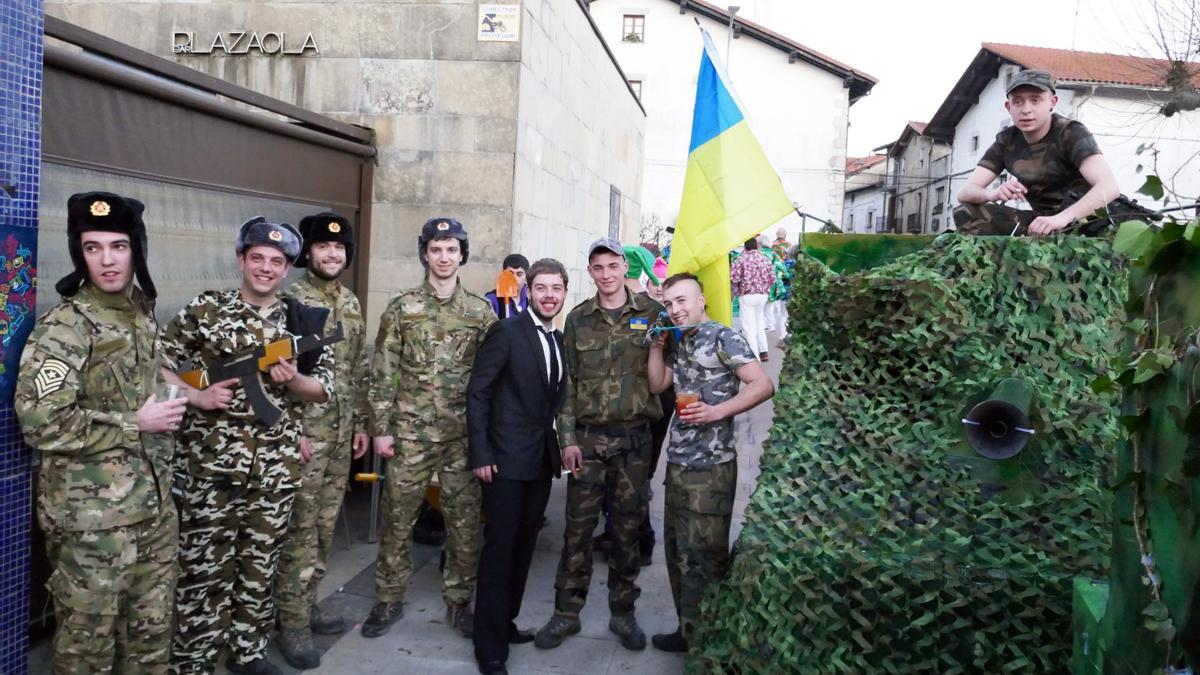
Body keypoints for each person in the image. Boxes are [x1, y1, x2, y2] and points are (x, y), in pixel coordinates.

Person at [16, 192, 186, 674]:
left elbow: (146, 382)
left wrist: (185, 397)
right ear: (79, 253)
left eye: (118, 246)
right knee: (85, 652)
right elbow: (39, 422)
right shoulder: (65, 328)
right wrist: (136, 423)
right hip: (93, 526)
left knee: (151, 639)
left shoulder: (140, 313)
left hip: (153, 511)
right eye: (93, 248)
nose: (107, 260)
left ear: (137, 249)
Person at [160, 217, 333, 675]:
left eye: (276, 261)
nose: (265, 268)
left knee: (260, 567)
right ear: (241, 260)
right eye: (257, 258)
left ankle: (248, 653)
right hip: (209, 466)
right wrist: (194, 395)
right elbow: (157, 362)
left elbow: (323, 389)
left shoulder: (303, 320)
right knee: (202, 568)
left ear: (287, 269)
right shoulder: (207, 309)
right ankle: (194, 660)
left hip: (275, 468)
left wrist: (293, 379)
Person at [363, 217, 495, 640]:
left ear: (462, 255)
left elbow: (491, 377)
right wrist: (380, 427)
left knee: (464, 523)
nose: (443, 257)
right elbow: (384, 370)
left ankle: (460, 601)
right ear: (424, 253)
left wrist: (487, 437)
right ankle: (388, 598)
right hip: (409, 434)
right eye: (436, 249)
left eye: (451, 249)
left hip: (461, 437)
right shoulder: (402, 308)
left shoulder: (480, 312)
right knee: (397, 519)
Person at [534, 237, 667, 652]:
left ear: (625, 268)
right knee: (577, 531)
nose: (607, 274)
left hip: (634, 440)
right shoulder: (578, 319)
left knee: (626, 532)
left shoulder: (652, 314)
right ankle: (566, 613)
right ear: (590, 272)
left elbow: (670, 369)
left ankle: (623, 613)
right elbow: (568, 385)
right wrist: (567, 439)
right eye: (598, 267)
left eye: (613, 266)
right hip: (588, 442)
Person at [646, 272, 775, 653]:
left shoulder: (723, 337)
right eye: (669, 303)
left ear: (701, 300)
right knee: (677, 552)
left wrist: (717, 411)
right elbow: (657, 385)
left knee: (706, 556)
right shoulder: (681, 340)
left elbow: (762, 385)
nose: (675, 309)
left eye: (682, 300)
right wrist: (655, 348)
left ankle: (712, 643)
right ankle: (688, 631)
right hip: (679, 463)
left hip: (712, 467)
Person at [273, 213, 371, 669]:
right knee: (299, 530)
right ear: (307, 253)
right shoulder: (290, 300)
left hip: (340, 433)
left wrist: (361, 424)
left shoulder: (349, 300)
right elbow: (276, 377)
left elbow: (357, 368)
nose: (332, 254)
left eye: (339, 248)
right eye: (322, 247)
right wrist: (290, 431)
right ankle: (290, 623)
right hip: (306, 437)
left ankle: (307, 604)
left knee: (323, 527)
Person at [467, 258, 570, 675]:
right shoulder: (506, 332)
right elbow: (478, 392)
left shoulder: (558, 339)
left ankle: (505, 623)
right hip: (504, 462)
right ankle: (489, 647)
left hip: (539, 462)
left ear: (564, 293)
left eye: (556, 288)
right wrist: (481, 453)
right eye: (541, 287)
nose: (549, 295)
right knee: (499, 549)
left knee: (524, 546)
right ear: (528, 292)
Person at [956, 69, 1121, 236]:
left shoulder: (1070, 132)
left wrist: (1062, 218)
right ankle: (1003, 252)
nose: (1026, 110)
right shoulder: (1007, 141)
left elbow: (1109, 187)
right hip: (1042, 222)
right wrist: (993, 193)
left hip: (1087, 219)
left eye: (1035, 100)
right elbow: (965, 193)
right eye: (1018, 102)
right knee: (966, 211)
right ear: (1008, 107)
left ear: (1052, 102)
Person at [729, 237, 775, 362]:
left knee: (749, 327)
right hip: (762, 295)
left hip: (747, 295)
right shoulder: (765, 259)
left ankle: (754, 357)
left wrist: (734, 292)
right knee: (759, 322)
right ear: (757, 246)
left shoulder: (741, 259)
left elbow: (734, 278)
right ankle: (763, 351)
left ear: (745, 247)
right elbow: (772, 278)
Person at [484, 253, 529, 319]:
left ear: (526, 277)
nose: (514, 279)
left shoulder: (531, 298)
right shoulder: (492, 299)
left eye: (519, 274)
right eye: (510, 273)